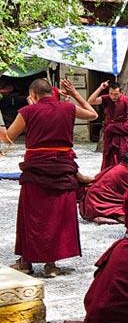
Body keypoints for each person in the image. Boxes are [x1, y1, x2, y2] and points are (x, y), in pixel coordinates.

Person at [5, 79, 98, 276]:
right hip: (61, 170)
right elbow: (93, 114)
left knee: (32, 217)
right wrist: (75, 94)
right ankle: (50, 265)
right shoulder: (67, 108)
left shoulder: (27, 112)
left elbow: (8, 138)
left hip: (36, 171)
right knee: (56, 216)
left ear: (33, 94)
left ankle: (26, 262)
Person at [88, 80, 128, 171]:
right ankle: (110, 176)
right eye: (111, 93)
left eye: (116, 94)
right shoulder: (106, 99)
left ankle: (126, 176)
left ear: (121, 92)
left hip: (125, 132)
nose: (113, 96)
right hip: (111, 133)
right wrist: (101, 88)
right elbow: (90, 101)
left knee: (125, 156)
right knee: (109, 156)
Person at [80, 152, 128, 224]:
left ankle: (106, 217)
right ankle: (107, 218)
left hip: (95, 200)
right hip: (97, 202)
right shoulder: (124, 172)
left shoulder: (122, 168)